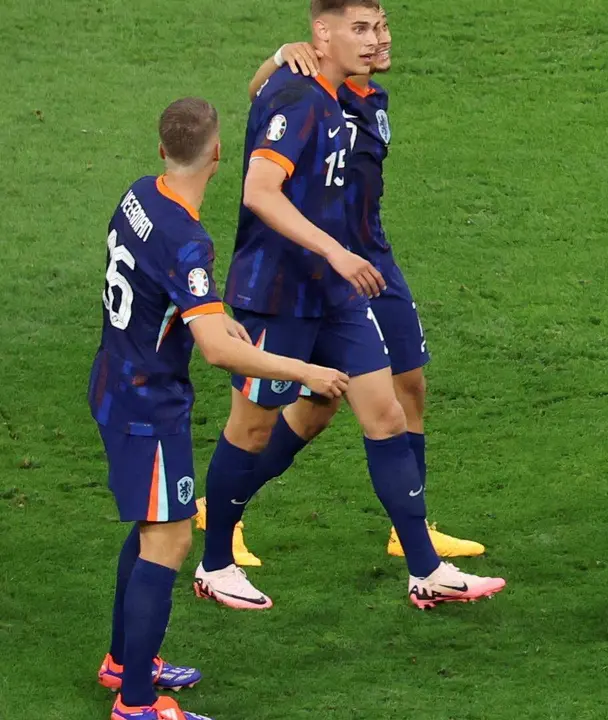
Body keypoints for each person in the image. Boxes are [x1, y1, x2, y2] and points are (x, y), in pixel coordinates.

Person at [194, 0, 504, 612]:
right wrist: (337, 252)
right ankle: (214, 564)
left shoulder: (339, 97)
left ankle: (424, 569)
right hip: (278, 294)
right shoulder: (300, 97)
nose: (374, 40)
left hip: (336, 293)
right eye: (360, 29)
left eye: (378, 28)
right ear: (322, 33)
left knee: (385, 413)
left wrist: (341, 261)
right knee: (251, 429)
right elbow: (259, 192)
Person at [91, 96, 349, 720]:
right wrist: (306, 370)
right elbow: (214, 351)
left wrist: (211, 314)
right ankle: (137, 705)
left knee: (155, 524)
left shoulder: (138, 196)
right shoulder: (188, 239)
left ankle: (125, 664)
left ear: (162, 150)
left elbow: (169, 299)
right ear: (216, 152)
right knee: (171, 540)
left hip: (117, 384)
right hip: (147, 407)